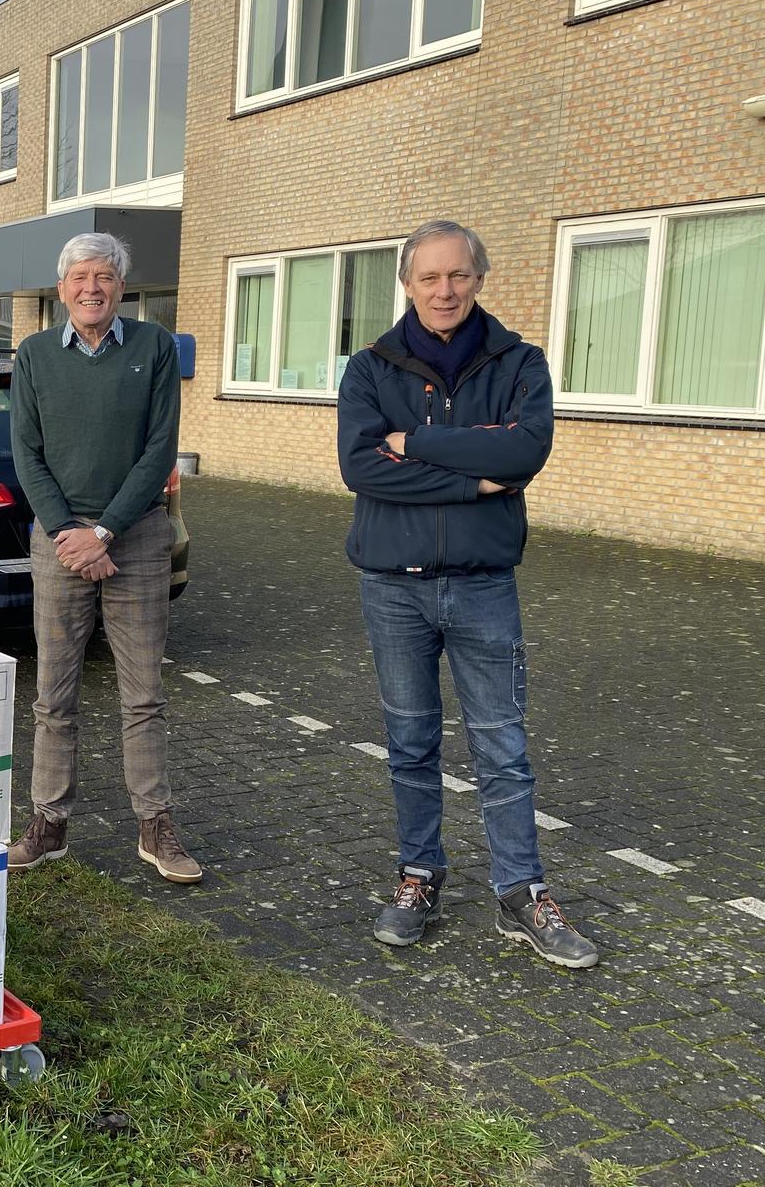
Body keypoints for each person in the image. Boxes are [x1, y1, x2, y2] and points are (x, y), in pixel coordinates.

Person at [336, 218, 599, 969]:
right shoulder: (369, 368)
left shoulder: (519, 361)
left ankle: (522, 891)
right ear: (408, 283)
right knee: (410, 741)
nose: (444, 290)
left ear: (479, 278)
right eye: (429, 277)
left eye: (458, 276)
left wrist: (412, 442)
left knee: (503, 747)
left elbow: (524, 450)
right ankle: (419, 874)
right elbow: (361, 468)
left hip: (484, 586)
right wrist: (470, 476)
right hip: (394, 587)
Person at [5, 232, 200, 885]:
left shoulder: (155, 348)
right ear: (62, 289)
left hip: (136, 539)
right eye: (80, 277)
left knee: (143, 694)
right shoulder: (33, 355)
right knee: (53, 693)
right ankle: (48, 823)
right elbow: (26, 454)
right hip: (59, 541)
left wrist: (106, 532)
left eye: (105, 277)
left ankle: (155, 824)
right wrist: (70, 532)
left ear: (121, 287)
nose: (92, 288)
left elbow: (160, 449)